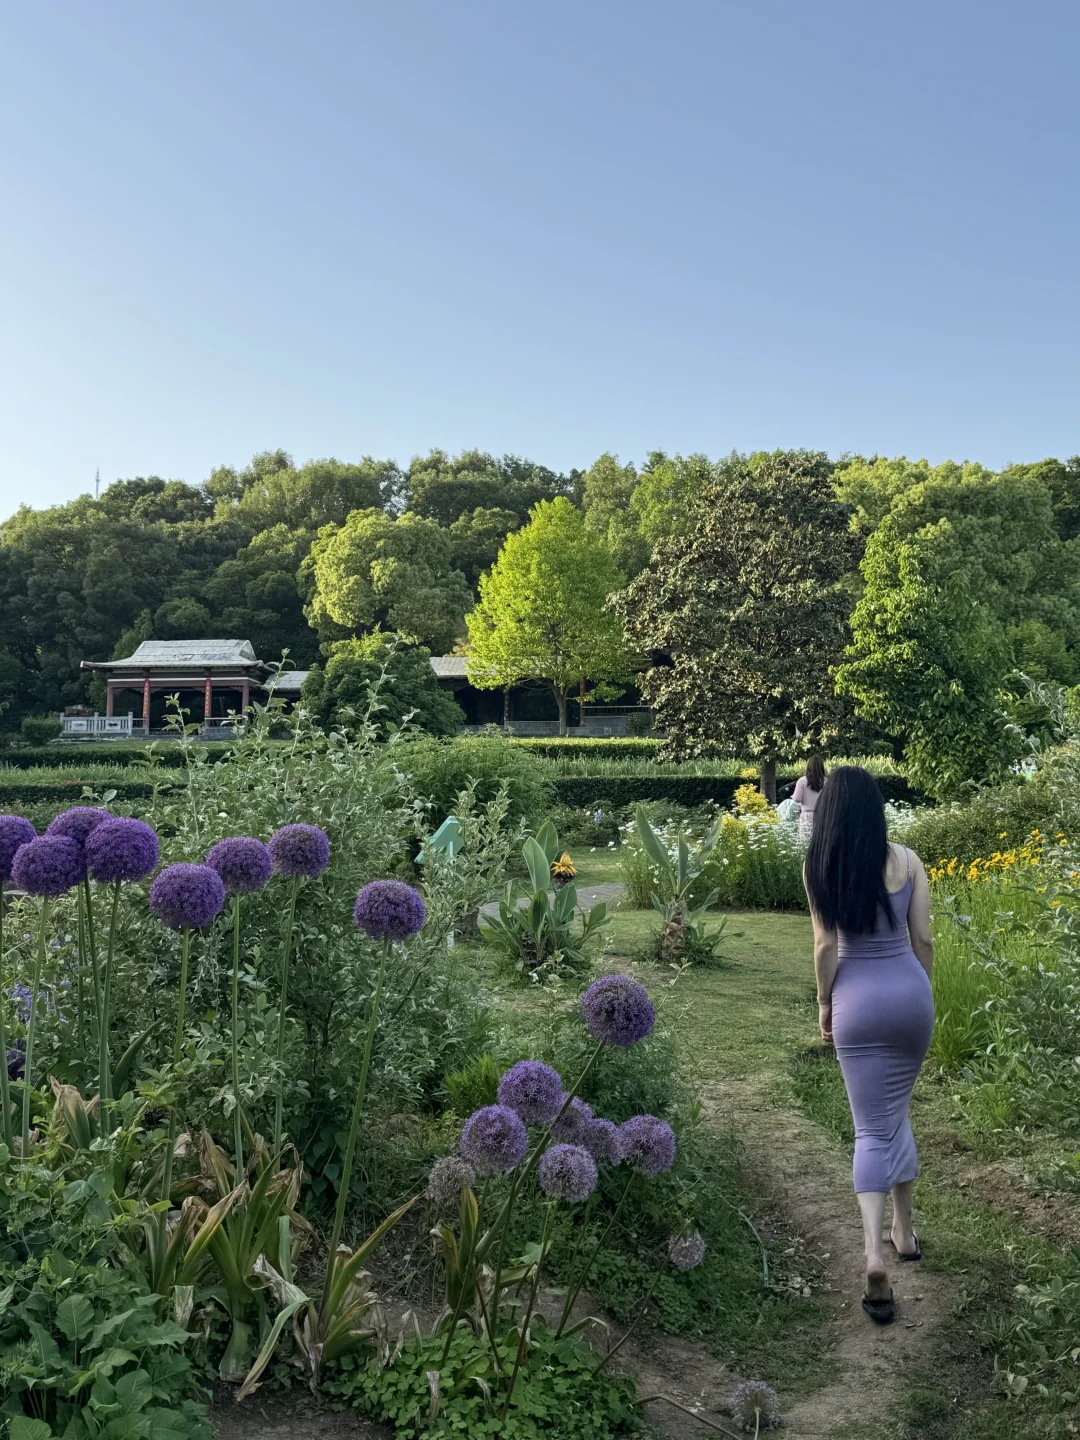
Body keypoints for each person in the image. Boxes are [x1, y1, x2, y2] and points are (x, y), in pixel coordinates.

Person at [803, 766, 934, 1326]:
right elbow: (923, 938)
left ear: (829, 812)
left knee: (870, 1127)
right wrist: (921, 990)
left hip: (857, 1000)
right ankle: (904, 1233)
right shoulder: (907, 860)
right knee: (895, 1111)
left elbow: (825, 946)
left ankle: (874, 1254)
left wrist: (824, 1004)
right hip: (909, 997)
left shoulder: (820, 866)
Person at [792, 756, 825, 841]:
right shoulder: (826, 781)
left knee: (805, 844)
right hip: (822, 816)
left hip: (807, 816)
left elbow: (796, 799)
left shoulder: (802, 781)